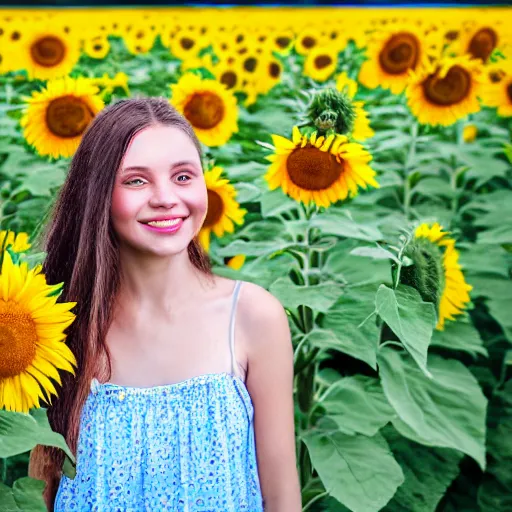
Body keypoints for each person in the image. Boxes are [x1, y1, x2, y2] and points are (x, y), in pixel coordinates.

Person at [28, 97, 302, 511]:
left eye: (183, 176)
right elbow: (41, 491)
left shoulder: (251, 318)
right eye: (136, 181)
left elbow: (282, 499)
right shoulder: (58, 324)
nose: (165, 198)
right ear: (97, 193)